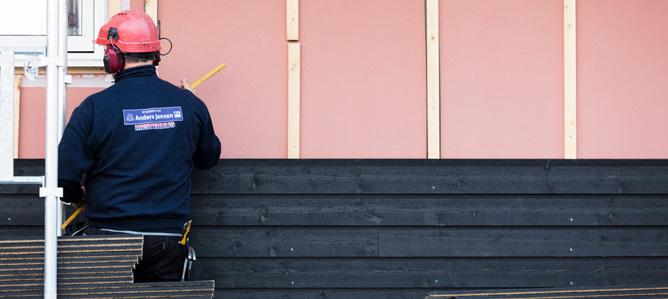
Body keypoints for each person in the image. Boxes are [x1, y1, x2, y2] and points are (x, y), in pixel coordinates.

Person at [58, 10, 221, 282]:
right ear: (155, 55)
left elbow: (63, 177)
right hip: (168, 243)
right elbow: (208, 158)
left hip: (107, 243)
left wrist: (78, 195)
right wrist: (192, 104)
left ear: (112, 56)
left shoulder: (93, 109)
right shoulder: (190, 105)